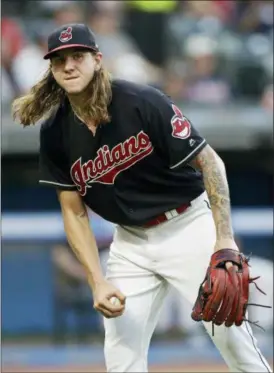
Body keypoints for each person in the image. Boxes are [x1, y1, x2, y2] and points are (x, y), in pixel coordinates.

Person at [12, 23, 272, 373]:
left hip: (186, 226)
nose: (69, 66)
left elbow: (210, 161)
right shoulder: (56, 130)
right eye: (59, 60)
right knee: (120, 354)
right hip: (130, 242)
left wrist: (223, 237)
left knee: (232, 340)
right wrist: (97, 281)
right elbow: (73, 213)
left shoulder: (140, 101)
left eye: (78, 56)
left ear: (97, 60)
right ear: (52, 69)